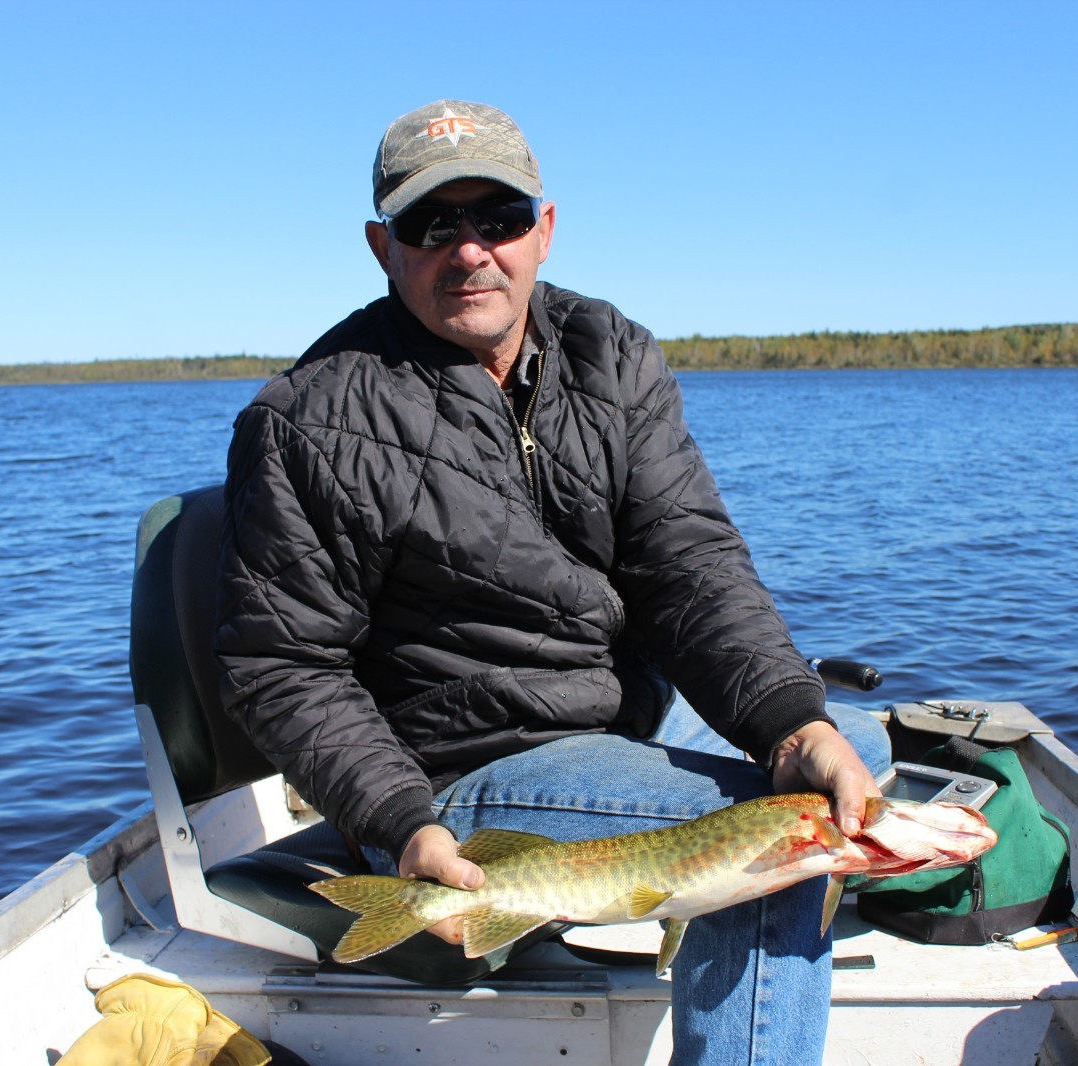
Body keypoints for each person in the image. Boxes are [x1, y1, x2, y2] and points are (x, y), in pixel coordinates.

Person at [216, 99, 891, 1066]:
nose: (470, 250)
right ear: (382, 246)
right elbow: (282, 666)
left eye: (497, 217)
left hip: (617, 718)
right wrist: (400, 824)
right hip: (455, 767)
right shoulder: (308, 419)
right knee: (772, 840)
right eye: (431, 224)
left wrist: (793, 725)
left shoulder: (608, 352)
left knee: (848, 749)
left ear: (544, 229)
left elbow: (689, 564)